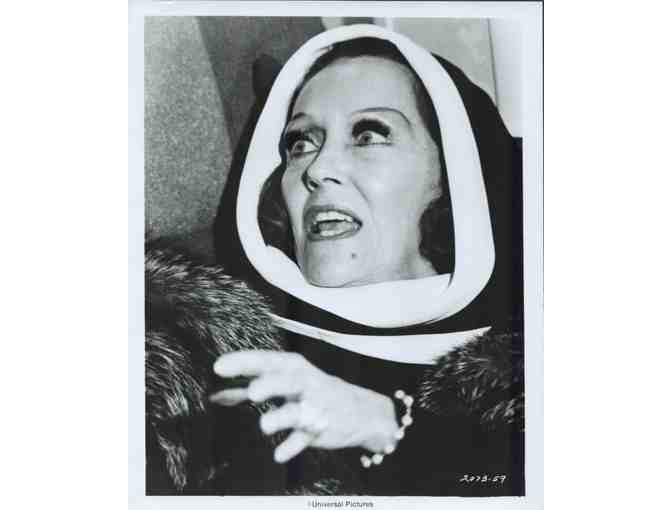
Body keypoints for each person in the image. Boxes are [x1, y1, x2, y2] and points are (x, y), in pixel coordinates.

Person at [146, 24, 524, 496]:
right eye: (301, 143)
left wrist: (390, 429)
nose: (317, 168)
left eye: (368, 135)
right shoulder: (183, 359)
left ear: (457, 177)